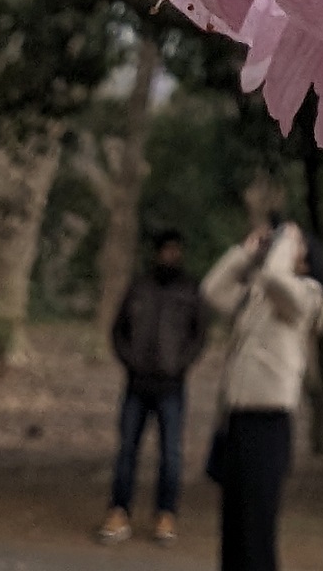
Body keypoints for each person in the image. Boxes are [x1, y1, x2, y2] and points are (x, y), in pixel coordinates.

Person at [202, 220, 323, 571]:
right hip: (237, 418)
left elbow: (278, 281)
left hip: (270, 422)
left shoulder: (307, 297)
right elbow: (212, 290)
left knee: (257, 527)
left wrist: (287, 243)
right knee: (233, 527)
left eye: (295, 245)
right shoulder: (258, 296)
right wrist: (246, 253)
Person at [99, 227, 208, 548]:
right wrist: (129, 359)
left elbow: (199, 335)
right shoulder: (139, 287)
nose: (171, 256)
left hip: (171, 386)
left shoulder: (189, 290)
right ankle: (119, 511)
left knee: (171, 454)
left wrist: (180, 364)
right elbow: (118, 329)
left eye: (176, 250)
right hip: (136, 383)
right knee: (127, 451)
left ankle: (166, 514)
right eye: (166, 250)